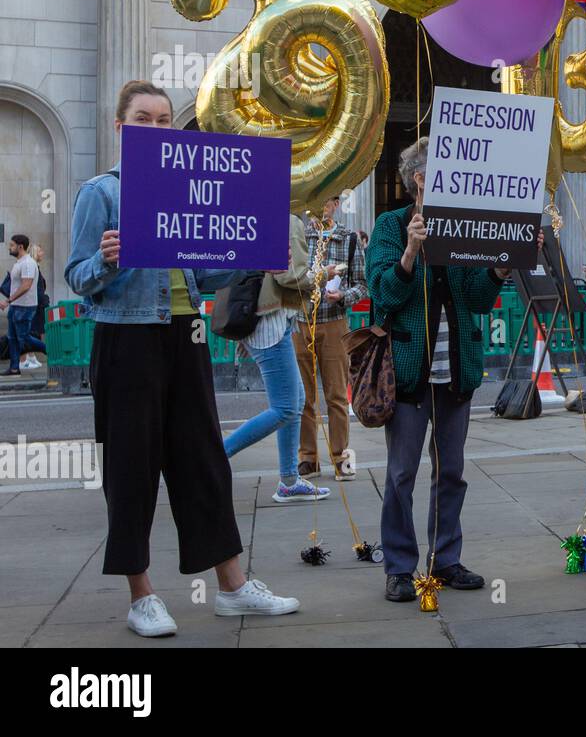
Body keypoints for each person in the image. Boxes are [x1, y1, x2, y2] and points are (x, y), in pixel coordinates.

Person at [65, 79, 298, 638]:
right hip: (126, 340)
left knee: (203, 463)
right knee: (132, 469)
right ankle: (141, 596)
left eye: (165, 118)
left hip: (185, 334)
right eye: (144, 118)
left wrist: (259, 257)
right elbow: (78, 277)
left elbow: (207, 272)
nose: (156, 127)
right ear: (121, 128)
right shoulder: (102, 192)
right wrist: (106, 259)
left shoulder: (186, 187)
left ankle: (232, 587)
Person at [369, 137, 508, 601]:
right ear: (421, 180)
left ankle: (445, 559)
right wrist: (410, 252)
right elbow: (384, 295)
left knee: (451, 472)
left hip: (457, 371)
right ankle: (399, 567)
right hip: (410, 374)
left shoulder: (464, 226)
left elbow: (478, 299)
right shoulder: (390, 226)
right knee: (401, 474)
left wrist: (501, 269)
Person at [222, 213, 331, 503]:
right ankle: (216, 456)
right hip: (270, 319)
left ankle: (289, 480)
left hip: (263, 317)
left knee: (293, 403)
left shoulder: (258, 215)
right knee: (285, 407)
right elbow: (289, 276)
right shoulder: (290, 219)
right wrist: (321, 277)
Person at [296, 193, 367, 482]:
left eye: (327, 200)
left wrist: (343, 296)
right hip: (300, 322)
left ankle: (340, 458)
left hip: (334, 322)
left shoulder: (348, 239)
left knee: (337, 395)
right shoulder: (299, 235)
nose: (320, 205)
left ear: (336, 204)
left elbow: (363, 284)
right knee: (303, 397)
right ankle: (308, 459)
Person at [1, 234, 45, 376]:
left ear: (20, 246)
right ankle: (14, 368)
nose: (10, 247)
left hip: (25, 307)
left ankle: (50, 350)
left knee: (24, 337)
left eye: (12, 245)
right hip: (16, 306)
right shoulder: (19, 263)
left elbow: (26, 285)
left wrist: (8, 300)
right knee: (12, 338)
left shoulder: (28, 263)